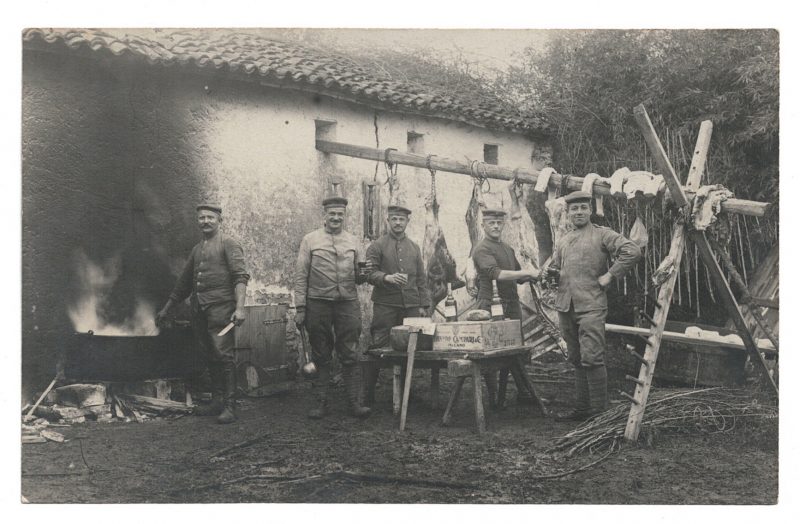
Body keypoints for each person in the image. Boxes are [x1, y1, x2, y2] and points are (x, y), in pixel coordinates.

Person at [551, 191, 641, 421]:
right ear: (568, 213)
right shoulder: (563, 239)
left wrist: (610, 275)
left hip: (591, 306)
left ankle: (600, 415)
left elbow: (632, 250)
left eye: (583, 207)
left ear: (590, 210)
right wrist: (549, 276)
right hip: (566, 307)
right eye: (574, 209)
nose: (579, 212)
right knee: (576, 358)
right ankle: (582, 410)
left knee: (592, 358)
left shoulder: (602, 235)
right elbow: (555, 269)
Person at [156, 203, 249, 424]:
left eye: (210, 217)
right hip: (199, 310)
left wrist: (240, 307)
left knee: (223, 355)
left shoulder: (229, 244)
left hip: (221, 308)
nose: (205, 221)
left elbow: (240, 277)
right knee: (208, 353)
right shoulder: (197, 249)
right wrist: (167, 309)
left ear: (220, 220)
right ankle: (217, 401)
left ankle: (230, 406)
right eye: (201, 218)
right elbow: (184, 284)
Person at [294, 196, 371, 419]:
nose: (336, 218)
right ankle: (320, 404)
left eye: (340, 214)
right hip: (318, 303)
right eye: (332, 214)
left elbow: (359, 276)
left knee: (350, 352)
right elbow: (301, 275)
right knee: (321, 353)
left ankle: (354, 404)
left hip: (347, 303)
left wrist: (363, 275)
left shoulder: (354, 241)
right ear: (324, 215)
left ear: (344, 216)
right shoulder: (310, 240)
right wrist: (300, 308)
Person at [471, 209, 540, 407]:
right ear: (483, 225)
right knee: (491, 352)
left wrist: (534, 275)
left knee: (516, 349)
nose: (495, 226)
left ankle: (523, 392)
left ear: (503, 225)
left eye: (499, 223)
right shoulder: (482, 249)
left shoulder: (508, 249)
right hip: (489, 306)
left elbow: (518, 276)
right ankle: (493, 397)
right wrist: (527, 272)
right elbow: (497, 274)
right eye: (491, 223)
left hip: (511, 305)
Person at [366, 205, 431, 348]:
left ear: (407, 221)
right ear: (388, 220)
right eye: (394, 219)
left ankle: (404, 371)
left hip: (411, 306)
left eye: (401, 219)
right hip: (385, 305)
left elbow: (421, 278)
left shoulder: (414, 247)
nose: (398, 223)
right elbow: (369, 274)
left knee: (410, 344)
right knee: (379, 342)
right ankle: (375, 370)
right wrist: (386, 277)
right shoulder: (377, 246)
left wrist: (423, 305)